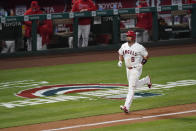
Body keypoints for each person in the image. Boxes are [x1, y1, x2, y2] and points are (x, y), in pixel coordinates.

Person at [117, 30, 152, 113]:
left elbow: (146, 56)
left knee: (131, 88)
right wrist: (120, 61)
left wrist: (141, 64)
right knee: (134, 85)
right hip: (127, 69)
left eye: (128, 36)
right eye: (127, 36)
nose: (127, 37)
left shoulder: (139, 47)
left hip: (136, 69)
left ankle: (126, 107)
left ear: (133, 37)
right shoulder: (124, 45)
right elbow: (120, 53)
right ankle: (146, 80)